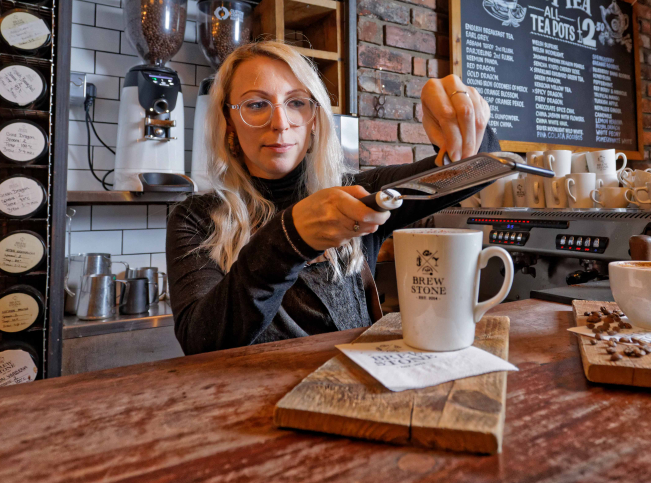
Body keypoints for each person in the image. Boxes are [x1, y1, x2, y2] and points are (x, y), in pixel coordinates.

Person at [166, 41, 500, 354]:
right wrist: (289, 237)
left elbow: (478, 171)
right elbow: (201, 341)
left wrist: (465, 130)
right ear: (228, 122)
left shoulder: (356, 193)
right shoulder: (195, 218)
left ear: (313, 118)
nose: (281, 123)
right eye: (256, 104)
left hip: (355, 396)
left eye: (296, 102)